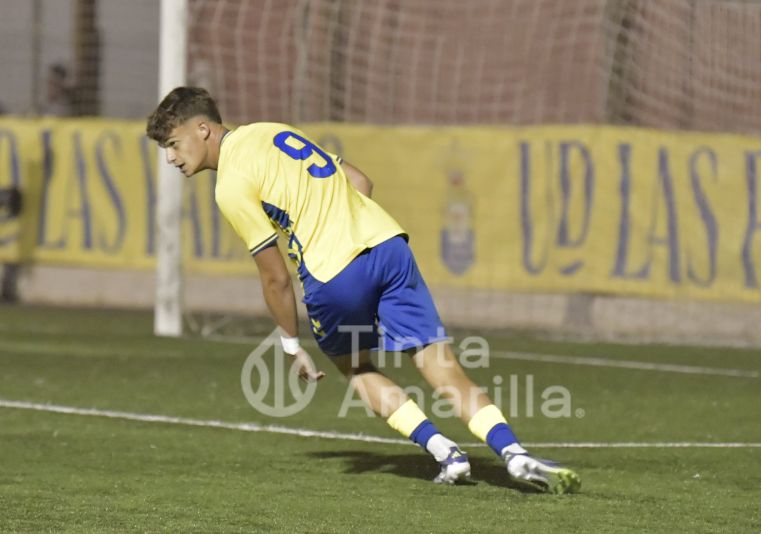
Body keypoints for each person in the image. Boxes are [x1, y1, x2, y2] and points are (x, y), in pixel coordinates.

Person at [145, 87, 580, 493]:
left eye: (173, 143)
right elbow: (359, 181)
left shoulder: (230, 185)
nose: (171, 158)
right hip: (389, 246)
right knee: (439, 363)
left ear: (203, 129)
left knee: (355, 367)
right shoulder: (273, 131)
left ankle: (444, 450)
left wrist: (291, 342)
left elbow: (274, 276)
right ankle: (514, 453)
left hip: (334, 273)